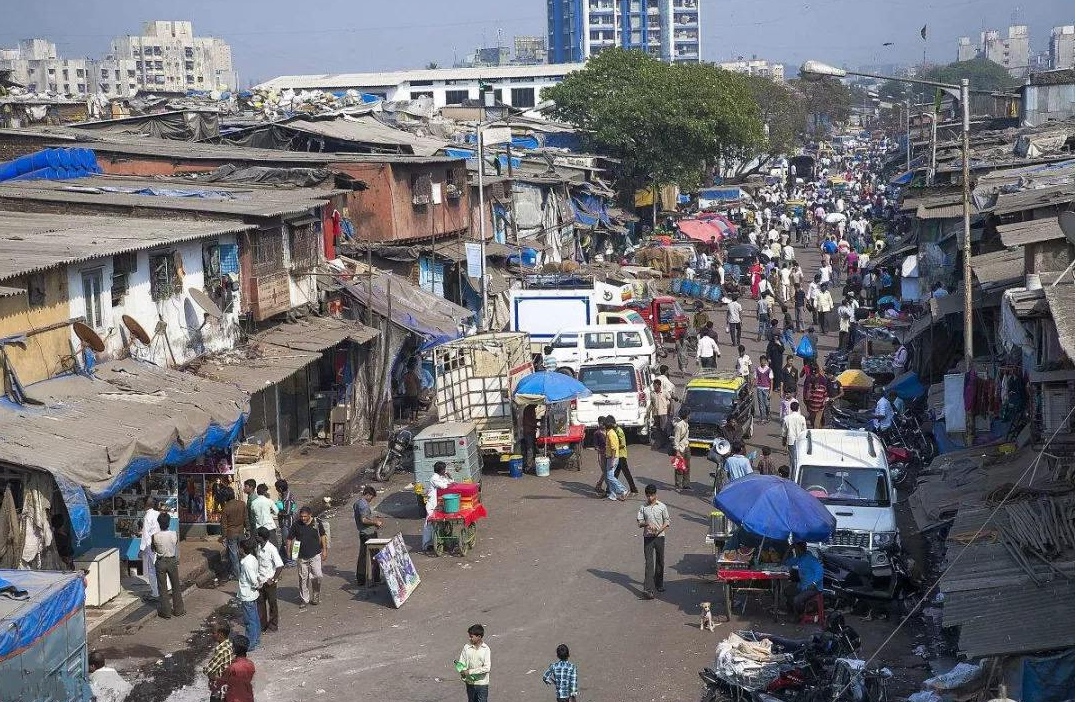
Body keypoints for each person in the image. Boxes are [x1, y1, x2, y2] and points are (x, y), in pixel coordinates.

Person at [287, 507, 327, 607]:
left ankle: (316, 594)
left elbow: (323, 536)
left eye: (305, 516)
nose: (303, 518)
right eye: (301, 516)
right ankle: (304, 599)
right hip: (301, 555)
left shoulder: (317, 523)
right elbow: (289, 539)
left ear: (310, 515)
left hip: (315, 553)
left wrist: (325, 550)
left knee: (317, 575)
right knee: (303, 578)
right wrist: (289, 552)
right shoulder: (296, 525)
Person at [636, 484, 670, 599]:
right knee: (649, 563)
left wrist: (659, 530)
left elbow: (667, 521)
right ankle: (647, 589)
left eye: (652, 495)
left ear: (656, 494)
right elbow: (639, 523)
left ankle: (659, 584)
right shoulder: (643, 508)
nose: (650, 498)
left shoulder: (662, 507)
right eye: (648, 496)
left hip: (660, 537)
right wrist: (647, 524)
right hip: (648, 538)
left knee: (660, 561)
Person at [151, 511, 185, 619]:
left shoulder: (155, 536)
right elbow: (175, 545)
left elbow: (153, 549)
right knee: (176, 586)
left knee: (162, 587)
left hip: (160, 561)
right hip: (172, 561)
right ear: (169, 523)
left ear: (159, 523)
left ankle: (166, 612)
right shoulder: (174, 534)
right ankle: (179, 610)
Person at [353, 485, 384, 585]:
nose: (371, 500)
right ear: (368, 495)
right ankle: (376, 578)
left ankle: (361, 579)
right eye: (372, 497)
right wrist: (375, 522)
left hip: (362, 533)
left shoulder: (357, 503)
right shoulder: (364, 505)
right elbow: (364, 520)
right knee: (375, 556)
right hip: (369, 534)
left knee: (362, 556)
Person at [255, 526, 283, 633]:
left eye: (257, 535)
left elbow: (280, 566)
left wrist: (273, 579)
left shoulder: (271, 549)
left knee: (272, 604)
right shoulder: (258, 547)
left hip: (269, 582)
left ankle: (273, 624)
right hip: (260, 581)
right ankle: (263, 625)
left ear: (262, 537)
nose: (256, 537)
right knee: (260, 604)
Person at [783, 541, 823, 616]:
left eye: (796, 549)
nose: (795, 551)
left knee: (796, 600)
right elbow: (785, 562)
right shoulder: (800, 558)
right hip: (803, 585)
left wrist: (814, 583)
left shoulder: (810, 559)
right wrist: (789, 549)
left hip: (814, 588)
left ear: (799, 549)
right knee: (787, 591)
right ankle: (794, 610)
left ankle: (799, 615)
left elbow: (820, 570)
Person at [421, 462, 453, 550]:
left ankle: (439, 541)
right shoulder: (434, 478)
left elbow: (450, 482)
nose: (445, 471)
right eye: (444, 469)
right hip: (432, 504)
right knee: (429, 524)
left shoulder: (441, 477)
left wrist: (449, 477)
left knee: (439, 523)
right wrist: (449, 482)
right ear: (441, 470)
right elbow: (443, 486)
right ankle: (426, 545)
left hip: (438, 504)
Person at [236, 538, 261, 651]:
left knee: (249, 621)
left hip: (247, 595)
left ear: (242, 549)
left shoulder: (246, 563)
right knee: (254, 618)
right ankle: (256, 639)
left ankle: (251, 642)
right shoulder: (253, 559)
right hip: (252, 595)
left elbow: (252, 579)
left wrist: (257, 584)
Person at [458, 624, 492, 702]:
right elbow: (461, 662)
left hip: (482, 684)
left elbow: (487, 668)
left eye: (471, 636)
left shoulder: (486, 649)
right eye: (469, 636)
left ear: (479, 637)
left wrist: (469, 672)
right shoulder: (466, 647)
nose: (469, 638)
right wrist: (462, 671)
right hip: (470, 683)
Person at [220, 488, 247, 580]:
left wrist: (223, 537)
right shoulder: (242, 504)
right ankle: (244, 572)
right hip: (241, 532)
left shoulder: (226, 507)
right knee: (242, 552)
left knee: (234, 555)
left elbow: (224, 525)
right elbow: (246, 518)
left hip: (231, 534)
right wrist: (248, 529)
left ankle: (237, 574)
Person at [219, 635, 256, 702]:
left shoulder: (233, 667)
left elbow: (224, 679)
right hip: (247, 695)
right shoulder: (251, 664)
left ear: (234, 649)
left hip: (234, 697)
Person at [204, 621, 234, 702]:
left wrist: (207, 671)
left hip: (220, 687)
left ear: (220, 634)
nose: (211, 635)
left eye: (213, 633)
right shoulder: (230, 645)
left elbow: (208, 670)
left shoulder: (221, 651)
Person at [138, 497, 161, 600]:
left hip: (151, 545)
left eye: (141, 503)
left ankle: (155, 593)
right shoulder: (157, 514)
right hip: (160, 543)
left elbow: (145, 534)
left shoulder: (147, 517)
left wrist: (141, 549)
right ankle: (166, 588)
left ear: (146, 504)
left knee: (152, 570)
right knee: (160, 567)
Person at [602, 417, 629, 501]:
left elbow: (614, 448)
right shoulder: (609, 432)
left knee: (610, 477)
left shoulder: (611, 434)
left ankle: (623, 490)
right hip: (610, 457)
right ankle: (613, 495)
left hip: (612, 458)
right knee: (610, 476)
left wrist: (612, 461)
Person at [609, 416, 638, 495]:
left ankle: (634, 489)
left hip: (621, 455)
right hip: (618, 455)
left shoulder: (619, 431)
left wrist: (614, 448)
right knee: (615, 474)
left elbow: (622, 444)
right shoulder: (614, 430)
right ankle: (610, 490)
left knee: (626, 473)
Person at [274, 479, 298, 565]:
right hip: (290, 522)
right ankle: (287, 557)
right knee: (289, 542)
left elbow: (287, 512)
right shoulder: (287, 495)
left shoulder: (287, 498)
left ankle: (292, 560)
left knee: (288, 542)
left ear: (280, 488)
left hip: (287, 522)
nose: (276, 490)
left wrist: (277, 512)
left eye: (276, 488)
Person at [249, 484, 279, 549]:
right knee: (273, 547)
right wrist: (270, 513)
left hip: (259, 527)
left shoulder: (253, 503)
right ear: (265, 492)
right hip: (269, 527)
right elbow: (276, 511)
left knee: (261, 547)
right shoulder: (269, 501)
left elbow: (252, 514)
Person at [672, 408, 691, 492]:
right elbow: (676, 440)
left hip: (686, 447)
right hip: (680, 449)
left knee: (687, 466)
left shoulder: (686, 424)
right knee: (679, 468)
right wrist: (677, 452)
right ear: (687, 415)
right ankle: (678, 485)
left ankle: (686, 484)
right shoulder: (679, 425)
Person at [652, 379, 673, 451]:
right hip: (656, 414)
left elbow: (671, 401)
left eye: (655, 385)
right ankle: (660, 442)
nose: (654, 387)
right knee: (658, 429)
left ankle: (666, 442)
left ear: (659, 385)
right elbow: (652, 403)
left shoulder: (664, 392)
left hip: (663, 413)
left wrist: (671, 410)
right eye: (654, 385)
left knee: (664, 428)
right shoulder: (653, 393)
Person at [519, 403, 539, 473]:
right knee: (530, 449)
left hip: (531, 431)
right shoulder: (529, 409)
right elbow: (527, 422)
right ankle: (528, 467)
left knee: (532, 449)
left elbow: (532, 420)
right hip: (528, 432)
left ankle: (531, 465)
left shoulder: (531, 408)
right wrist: (536, 425)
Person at [755, 355, 774, 422]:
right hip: (759, 388)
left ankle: (768, 415)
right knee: (760, 404)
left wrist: (771, 391)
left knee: (766, 403)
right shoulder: (757, 369)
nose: (762, 362)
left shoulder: (769, 370)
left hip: (766, 388)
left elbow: (771, 381)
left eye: (764, 360)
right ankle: (762, 417)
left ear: (766, 361)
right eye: (761, 361)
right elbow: (755, 378)